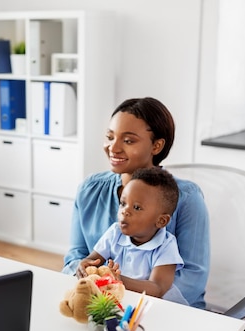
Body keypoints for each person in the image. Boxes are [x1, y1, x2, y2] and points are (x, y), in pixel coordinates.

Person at [63, 97, 209, 308]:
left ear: (157, 146)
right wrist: (85, 276)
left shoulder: (187, 197)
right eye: (110, 137)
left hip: (162, 311)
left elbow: (192, 279)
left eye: (128, 140)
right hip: (97, 304)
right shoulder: (89, 189)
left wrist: (121, 297)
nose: (113, 148)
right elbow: (75, 257)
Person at [78, 167, 183, 299]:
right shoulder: (115, 232)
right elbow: (93, 260)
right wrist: (85, 264)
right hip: (120, 299)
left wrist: (119, 279)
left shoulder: (166, 245)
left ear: (161, 220)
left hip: (154, 307)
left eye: (137, 207)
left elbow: (158, 288)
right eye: (123, 203)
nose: (124, 211)